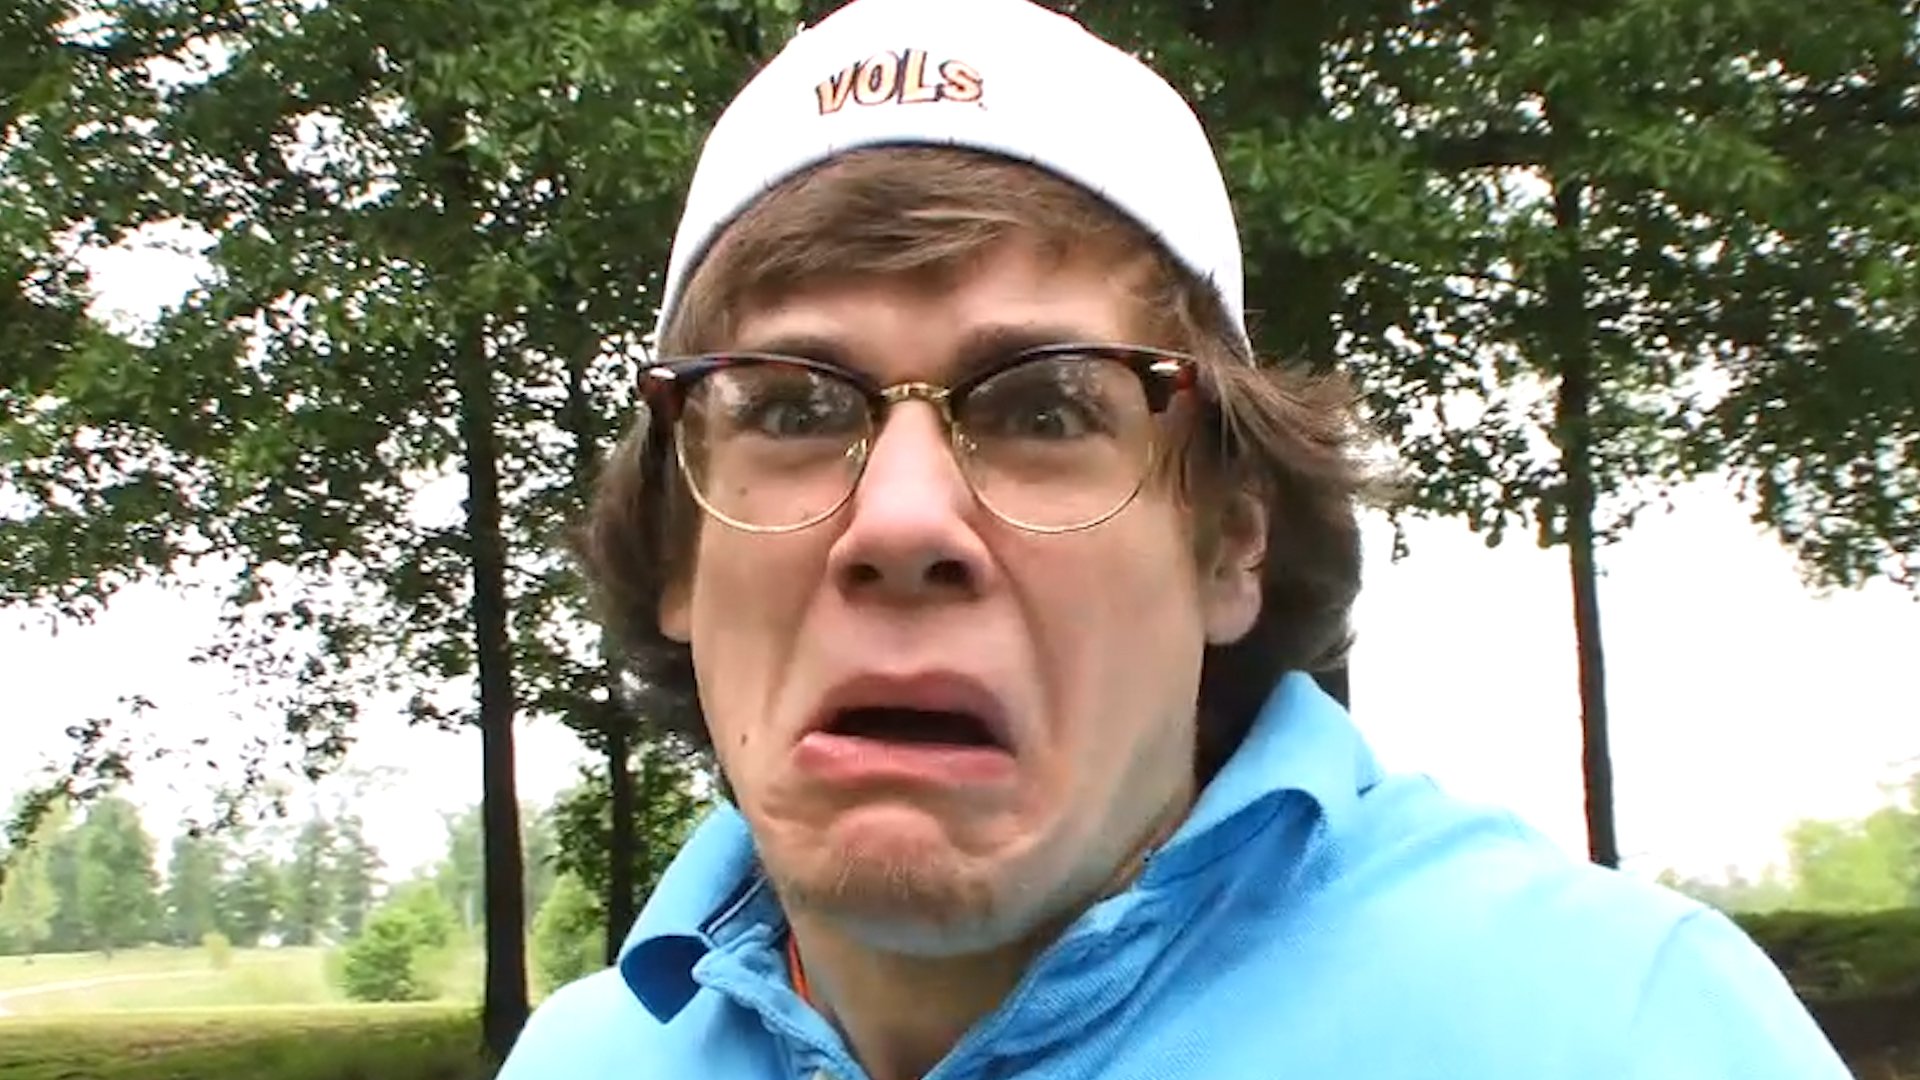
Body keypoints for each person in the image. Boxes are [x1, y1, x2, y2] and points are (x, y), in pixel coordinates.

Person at [498, 0, 1853, 1076]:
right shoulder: (587, 1058)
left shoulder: (1609, 1030)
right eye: (791, 409)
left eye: (1045, 409)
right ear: (677, 556)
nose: (902, 522)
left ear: (1227, 548)